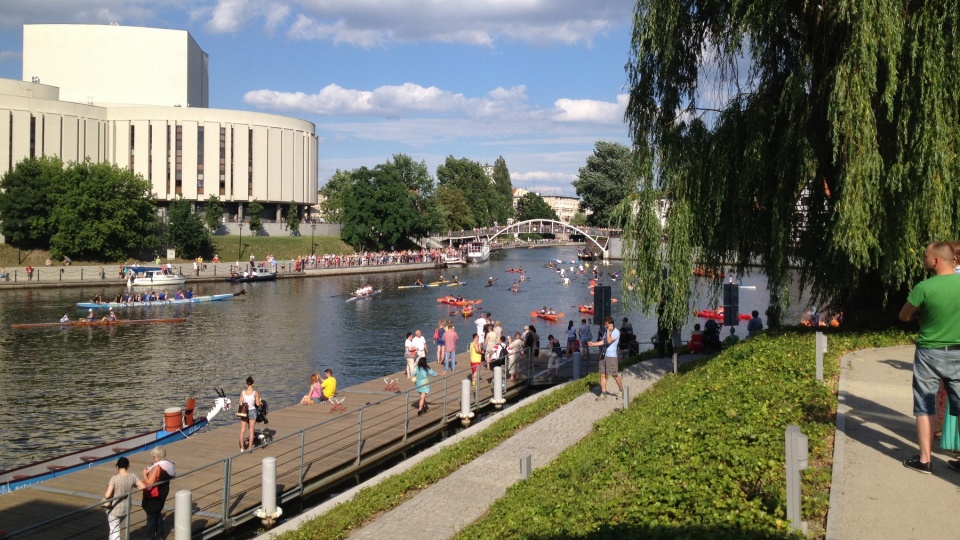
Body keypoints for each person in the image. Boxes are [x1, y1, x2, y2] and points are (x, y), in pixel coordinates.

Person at [898, 242, 960, 474]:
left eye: (925, 256)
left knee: (925, 405)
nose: (923, 259)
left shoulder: (924, 287)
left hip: (929, 354)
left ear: (936, 261)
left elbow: (904, 315)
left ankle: (925, 460)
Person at [102, 457, 144, 540]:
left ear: (117, 466)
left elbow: (107, 495)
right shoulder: (132, 476)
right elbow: (143, 486)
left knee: (114, 530)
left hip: (115, 508)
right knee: (115, 528)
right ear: (127, 466)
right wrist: (134, 486)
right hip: (126, 507)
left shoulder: (114, 478)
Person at [141, 447, 176, 540]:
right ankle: (160, 536)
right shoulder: (168, 465)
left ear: (156, 457)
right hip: (163, 492)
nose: (152, 458)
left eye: (153, 456)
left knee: (151, 517)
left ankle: (151, 537)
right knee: (158, 514)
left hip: (153, 495)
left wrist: (144, 473)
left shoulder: (157, 467)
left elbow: (149, 484)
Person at [588, 316, 624, 400]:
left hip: (611, 356)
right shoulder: (606, 331)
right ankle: (603, 392)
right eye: (605, 325)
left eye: (606, 325)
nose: (605, 326)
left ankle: (621, 389)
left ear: (611, 324)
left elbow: (610, 340)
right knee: (602, 375)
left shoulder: (616, 332)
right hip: (603, 355)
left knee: (614, 375)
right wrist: (593, 344)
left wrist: (608, 330)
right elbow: (604, 341)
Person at [238, 376, 262, 452]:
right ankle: (250, 447)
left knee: (242, 430)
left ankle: (242, 448)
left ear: (246, 384)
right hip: (252, 411)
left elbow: (240, 403)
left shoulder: (243, 392)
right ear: (253, 384)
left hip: (244, 412)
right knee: (251, 430)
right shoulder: (255, 393)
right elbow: (258, 404)